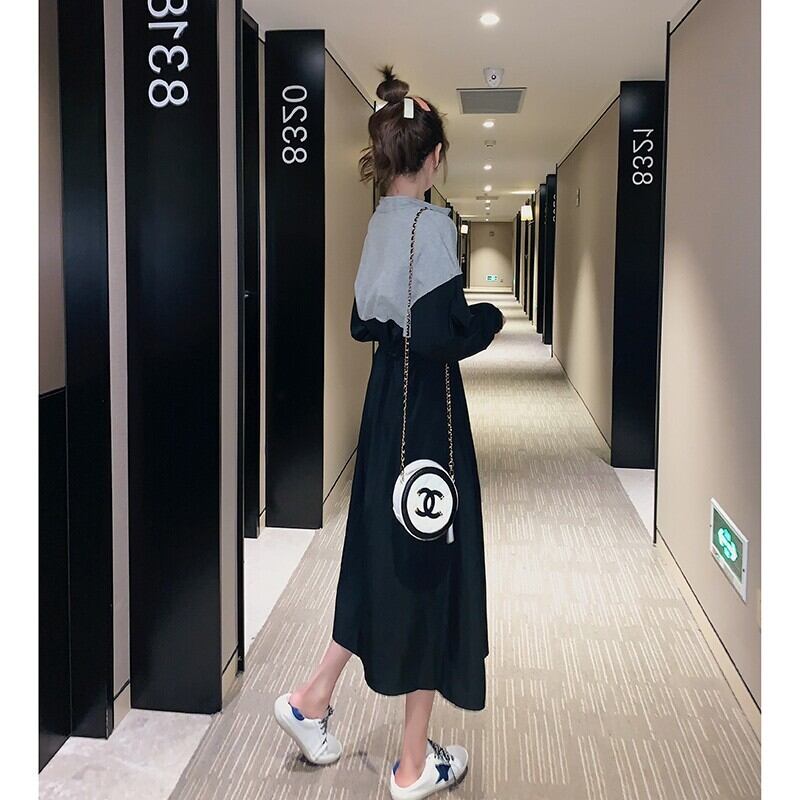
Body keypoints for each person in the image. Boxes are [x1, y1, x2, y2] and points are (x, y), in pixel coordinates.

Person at [274, 66, 504, 800]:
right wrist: (488, 319)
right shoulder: (429, 227)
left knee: (382, 547)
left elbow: (362, 323)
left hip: (384, 406)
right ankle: (411, 765)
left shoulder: (379, 224)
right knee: (428, 557)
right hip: (425, 412)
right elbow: (439, 335)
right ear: (434, 159)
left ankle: (310, 699)